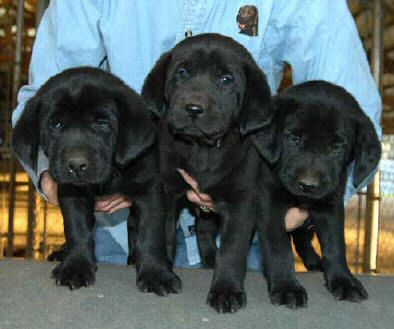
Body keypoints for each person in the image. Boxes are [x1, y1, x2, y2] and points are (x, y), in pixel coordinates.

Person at [12, 0, 381, 269]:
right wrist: (54, 176)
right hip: (118, 233)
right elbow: (46, 97)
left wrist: (299, 205)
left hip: (241, 240)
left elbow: (352, 113)